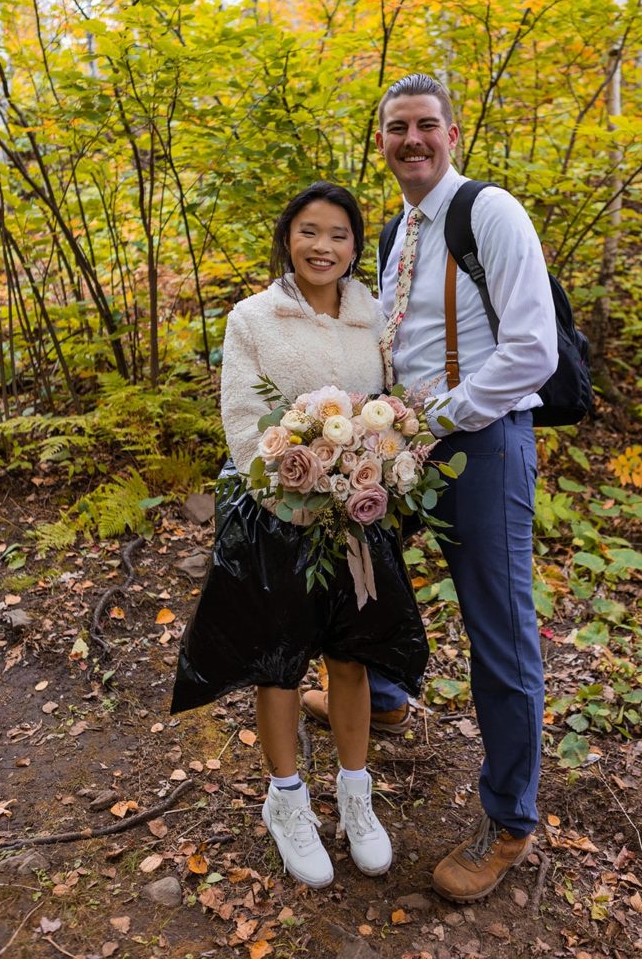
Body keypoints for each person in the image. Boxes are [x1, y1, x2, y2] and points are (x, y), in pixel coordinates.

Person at [302, 75, 558, 903]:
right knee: (368, 584)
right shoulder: (394, 231)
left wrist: (434, 419)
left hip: (480, 448)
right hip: (407, 448)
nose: (409, 140)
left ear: (452, 134)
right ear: (380, 142)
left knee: (501, 633)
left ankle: (509, 821)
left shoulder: (490, 213)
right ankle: (384, 698)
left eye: (424, 127)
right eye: (394, 129)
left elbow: (531, 351)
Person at [171, 181, 428, 890]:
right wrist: (303, 484)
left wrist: (376, 469)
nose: (324, 247)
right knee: (279, 659)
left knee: (351, 656)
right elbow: (241, 423)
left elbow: (390, 407)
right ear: (289, 236)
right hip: (276, 518)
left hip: (359, 516)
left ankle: (355, 794)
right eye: (310, 232)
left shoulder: (374, 314)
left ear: (355, 245)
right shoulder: (253, 317)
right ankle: (285, 801)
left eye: (340, 235)